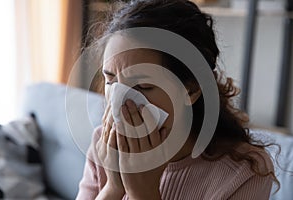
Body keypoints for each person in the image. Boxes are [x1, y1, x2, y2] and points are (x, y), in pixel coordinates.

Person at [76, 0, 279, 199]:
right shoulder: (104, 143)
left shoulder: (244, 172)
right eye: (111, 80)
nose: (119, 104)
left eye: (143, 86)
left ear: (191, 90)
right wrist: (113, 188)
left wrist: (143, 193)